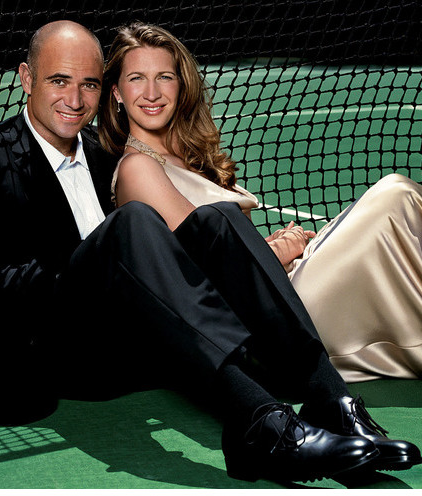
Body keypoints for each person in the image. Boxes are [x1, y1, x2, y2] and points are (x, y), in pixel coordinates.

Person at [0, 20, 416, 485]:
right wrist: (90, 268)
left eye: (88, 84)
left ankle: (330, 400)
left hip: (124, 347)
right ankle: (262, 424)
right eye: (59, 81)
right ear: (27, 78)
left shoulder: (98, 149)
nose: (75, 99)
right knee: (131, 222)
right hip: (46, 351)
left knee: (217, 218)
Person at [98, 21, 422, 480]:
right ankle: (332, 404)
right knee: (395, 198)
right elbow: (198, 277)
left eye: (164, 77)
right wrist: (280, 251)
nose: (152, 92)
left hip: (280, 296)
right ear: (116, 92)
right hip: (266, 326)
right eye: (136, 78)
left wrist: (277, 248)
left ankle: (335, 406)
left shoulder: (189, 158)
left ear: (181, 85)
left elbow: (229, 249)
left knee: (389, 213)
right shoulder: (138, 168)